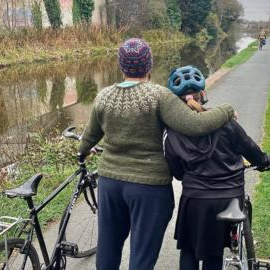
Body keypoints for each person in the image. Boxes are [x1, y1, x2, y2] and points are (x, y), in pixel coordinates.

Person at [77, 39, 236, 270]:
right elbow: (195, 125)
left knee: (108, 249)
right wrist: (227, 110)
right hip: (148, 187)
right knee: (142, 256)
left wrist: (81, 152)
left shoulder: (104, 96)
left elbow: (90, 136)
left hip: (110, 183)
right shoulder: (158, 96)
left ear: (122, 67)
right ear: (148, 66)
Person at [163, 66, 270, 270]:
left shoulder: (171, 133)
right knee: (213, 254)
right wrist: (264, 160)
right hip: (229, 196)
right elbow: (250, 149)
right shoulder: (226, 122)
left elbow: (177, 173)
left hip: (194, 200)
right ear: (202, 94)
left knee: (188, 250)